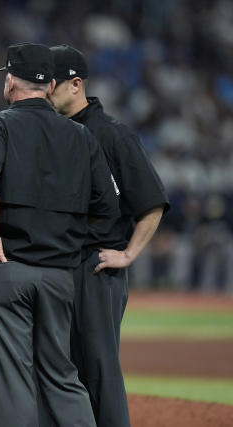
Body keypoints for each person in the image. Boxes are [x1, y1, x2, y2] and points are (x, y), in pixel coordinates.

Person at [0, 42, 120, 427]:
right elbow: (107, 209)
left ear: (9, 83)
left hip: (7, 265)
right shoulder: (81, 135)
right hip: (61, 274)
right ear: (50, 84)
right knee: (62, 375)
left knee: (12, 378)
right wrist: (67, 243)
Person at [47, 45, 169, 427]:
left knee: (98, 367)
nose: (43, 91)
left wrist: (128, 254)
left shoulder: (111, 134)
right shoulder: (51, 132)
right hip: (57, 265)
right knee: (60, 366)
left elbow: (151, 202)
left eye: (50, 83)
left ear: (76, 84)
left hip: (95, 266)